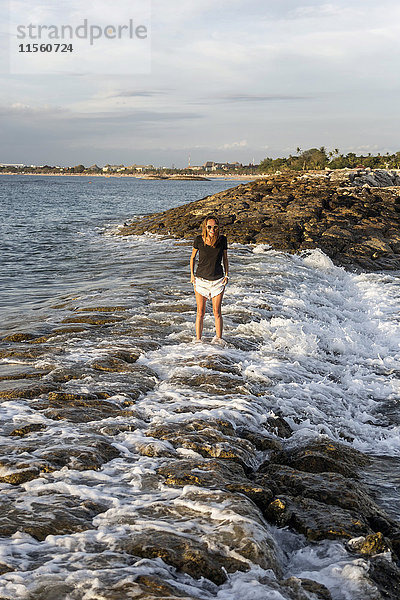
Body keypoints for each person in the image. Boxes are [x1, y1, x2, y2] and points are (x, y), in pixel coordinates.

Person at [190, 215, 229, 343]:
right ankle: (198, 341)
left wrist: (227, 274)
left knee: (217, 312)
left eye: (215, 227)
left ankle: (219, 340)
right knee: (200, 312)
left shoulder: (222, 240)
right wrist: (192, 275)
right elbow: (192, 258)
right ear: (205, 227)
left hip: (218, 280)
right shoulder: (199, 240)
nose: (212, 229)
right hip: (201, 280)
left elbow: (225, 258)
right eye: (209, 227)